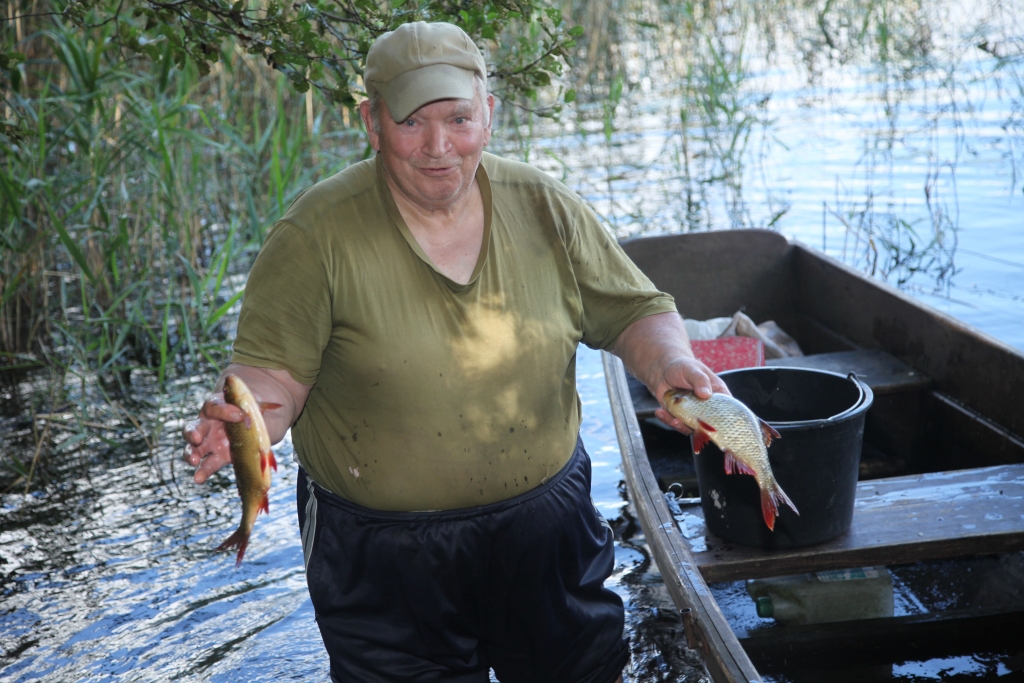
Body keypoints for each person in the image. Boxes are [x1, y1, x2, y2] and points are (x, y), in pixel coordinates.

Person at [182, 20, 727, 683]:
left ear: (489, 116)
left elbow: (636, 311)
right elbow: (270, 381)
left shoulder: (545, 207)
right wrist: (244, 420)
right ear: (371, 122)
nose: (439, 146)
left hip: (544, 529)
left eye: (459, 119)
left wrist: (669, 363)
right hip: (383, 554)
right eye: (412, 122)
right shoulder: (313, 237)